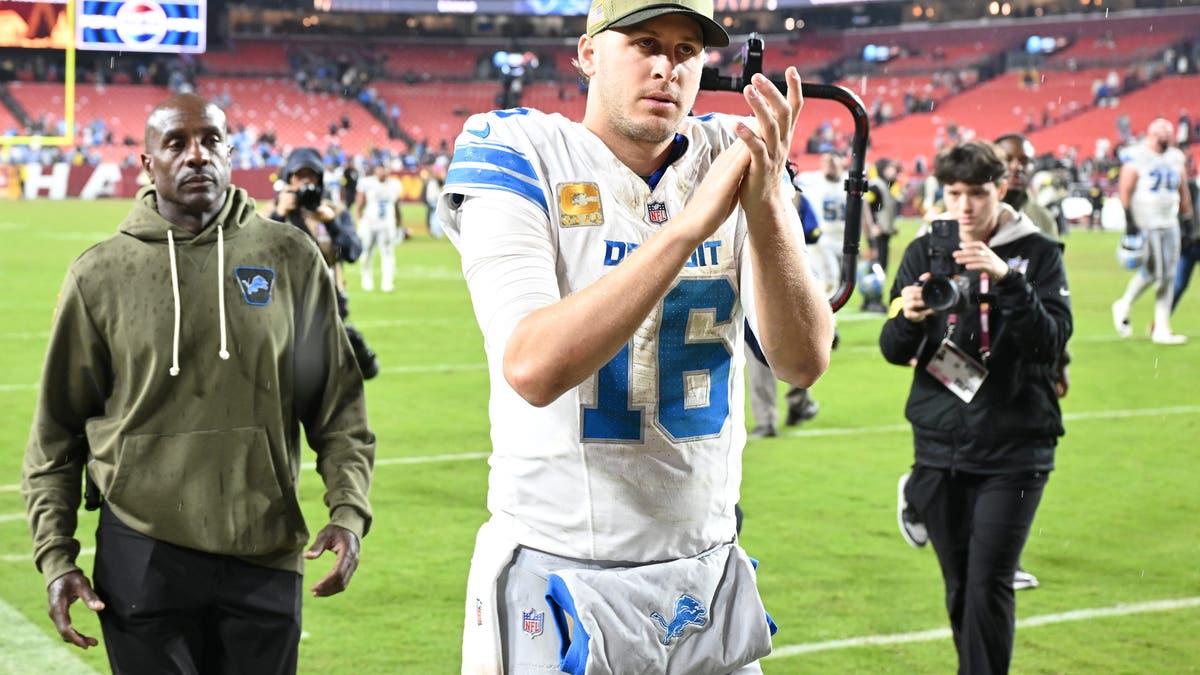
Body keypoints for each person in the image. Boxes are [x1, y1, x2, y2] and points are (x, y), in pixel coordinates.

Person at [438, 0, 834, 670]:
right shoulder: (520, 150)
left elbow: (802, 360)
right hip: (560, 561)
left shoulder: (728, 156)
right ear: (588, 53)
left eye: (685, 51)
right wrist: (684, 229)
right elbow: (532, 365)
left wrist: (765, 199)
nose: (666, 67)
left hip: (706, 565)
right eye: (644, 43)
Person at [20, 93, 375, 674]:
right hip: (141, 548)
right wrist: (57, 556)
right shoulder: (99, 274)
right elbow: (56, 433)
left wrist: (348, 510)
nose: (196, 156)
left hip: (264, 544)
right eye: (176, 144)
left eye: (210, 140)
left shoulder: (290, 256)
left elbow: (339, 409)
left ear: (231, 152)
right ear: (147, 163)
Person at [881, 141, 1071, 674]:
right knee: (961, 584)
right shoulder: (924, 250)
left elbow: (1050, 343)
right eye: (954, 193)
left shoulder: (1036, 251)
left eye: (977, 194)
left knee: (989, 582)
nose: (964, 206)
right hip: (940, 440)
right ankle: (918, 489)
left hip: (1015, 443)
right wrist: (910, 318)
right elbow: (895, 350)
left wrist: (1009, 281)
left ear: (1001, 190)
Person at [271, 147, 379, 378]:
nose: (306, 182)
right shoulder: (272, 212)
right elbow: (258, 257)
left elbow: (352, 252)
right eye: (300, 176)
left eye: (312, 176)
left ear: (320, 179)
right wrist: (279, 215)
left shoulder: (335, 211)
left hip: (328, 305)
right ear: (289, 178)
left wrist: (330, 222)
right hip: (285, 307)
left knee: (330, 380)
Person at [1111, 118, 1194, 344]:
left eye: (1168, 134)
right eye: (1161, 134)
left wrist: (1187, 219)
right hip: (1146, 223)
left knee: (1165, 275)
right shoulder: (1138, 155)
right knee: (1156, 273)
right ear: (1151, 134)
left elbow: (1182, 189)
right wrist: (1129, 219)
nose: (1165, 138)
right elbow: (1125, 186)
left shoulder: (1176, 157)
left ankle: (1159, 326)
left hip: (1169, 222)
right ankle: (1126, 306)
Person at [354, 160, 405, 292]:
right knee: (366, 252)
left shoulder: (394, 184)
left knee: (388, 253)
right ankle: (366, 279)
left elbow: (397, 206)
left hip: (387, 224)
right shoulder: (367, 183)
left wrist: (399, 225)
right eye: (379, 168)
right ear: (375, 170)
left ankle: (387, 283)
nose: (382, 171)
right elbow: (359, 204)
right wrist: (359, 222)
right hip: (370, 223)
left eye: (384, 168)